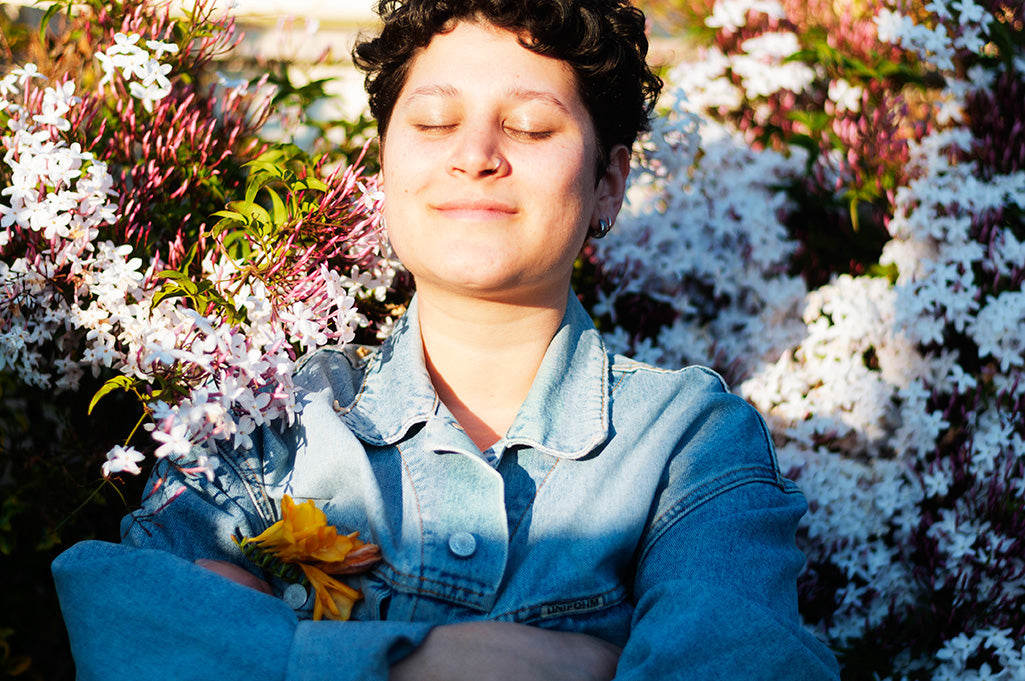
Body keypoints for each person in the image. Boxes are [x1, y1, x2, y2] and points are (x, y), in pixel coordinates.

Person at [52, 1, 841, 679]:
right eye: (433, 121)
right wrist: (420, 662)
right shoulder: (265, 429)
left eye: (530, 127)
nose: (474, 155)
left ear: (608, 180)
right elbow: (116, 623)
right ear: (387, 164)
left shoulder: (683, 444)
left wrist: (272, 645)